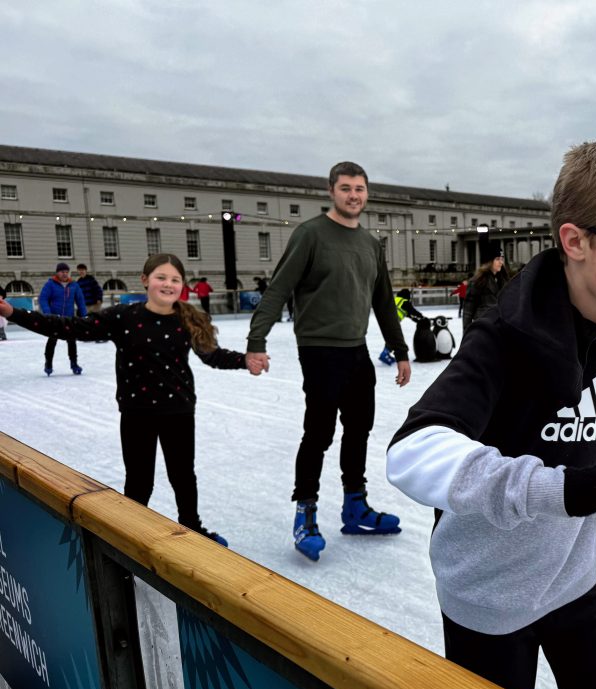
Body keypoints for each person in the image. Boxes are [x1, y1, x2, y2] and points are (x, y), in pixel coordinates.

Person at [386, 136, 596, 689]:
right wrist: (571, 488)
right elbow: (411, 451)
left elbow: (592, 420)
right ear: (575, 241)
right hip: (488, 594)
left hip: (572, 578)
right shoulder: (504, 338)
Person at [0, 253, 247, 545]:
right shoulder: (123, 317)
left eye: (175, 279)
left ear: (182, 285)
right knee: (140, 480)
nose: (168, 284)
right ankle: (130, 537)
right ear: (145, 280)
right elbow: (69, 327)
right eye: (161, 277)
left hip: (178, 411)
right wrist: (12, 313)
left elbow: (213, 355)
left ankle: (192, 528)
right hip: (137, 413)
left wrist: (246, 361)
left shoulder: (188, 319)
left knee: (183, 476)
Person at [245, 160, 410, 560]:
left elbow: (384, 302)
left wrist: (400, 350)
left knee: (359, 429)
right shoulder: (311, 235)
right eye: (346, 188)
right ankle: (306, 512)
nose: (354, 195)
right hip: (319, 349)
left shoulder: (371, 244)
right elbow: (278, 289)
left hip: (357, 349)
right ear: (331, 191)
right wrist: (256, 340)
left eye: (360, 188)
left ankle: (355, 506)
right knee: (318, 433)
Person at [39, 262, 88, 376]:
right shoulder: (50, 284)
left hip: (69, 318)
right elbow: (43, 299)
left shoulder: (74, 285)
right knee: (52, 341)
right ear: (57, 273)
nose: (65, 274)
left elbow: (80, 301)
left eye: (66, 272)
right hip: (55, 319)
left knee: (72, 341)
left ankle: (74, 364)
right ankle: (48, 363)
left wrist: (85, 315)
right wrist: (48, 313)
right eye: (62, 272)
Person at [461, 251, 509, 333]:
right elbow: (468, 310)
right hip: (484, 327)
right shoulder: (478, 281)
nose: (501, 262)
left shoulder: (504, 280)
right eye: (497, 259)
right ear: (489, 262)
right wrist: (467, 332)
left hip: (501, 327)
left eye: (502, 259)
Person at [380, 288, 425, 365]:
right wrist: (421, 316)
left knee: (391, 337)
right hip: (393, 321)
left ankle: (386, 353)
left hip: (385, 319)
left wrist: (416, 320)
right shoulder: (405, 302)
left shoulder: (396, 299)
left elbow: (408, 314)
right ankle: (384, 354)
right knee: (394, 338)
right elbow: (412, 311)